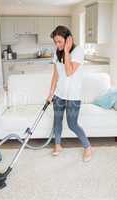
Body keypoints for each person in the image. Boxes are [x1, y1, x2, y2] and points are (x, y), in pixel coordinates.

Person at [47, 25, 93, 162]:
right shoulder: (57, 52)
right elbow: (56, 74)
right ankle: (58, 145)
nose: (57, 44)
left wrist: (66, 52)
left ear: (68, 40)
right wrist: (51, 93)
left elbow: (69, 72)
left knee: (72, 124)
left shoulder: (78, 51)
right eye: (55, 42)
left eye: (59, 41)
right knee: (57, 121)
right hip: (59, 94)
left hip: (73, 96)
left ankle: (88, 147)